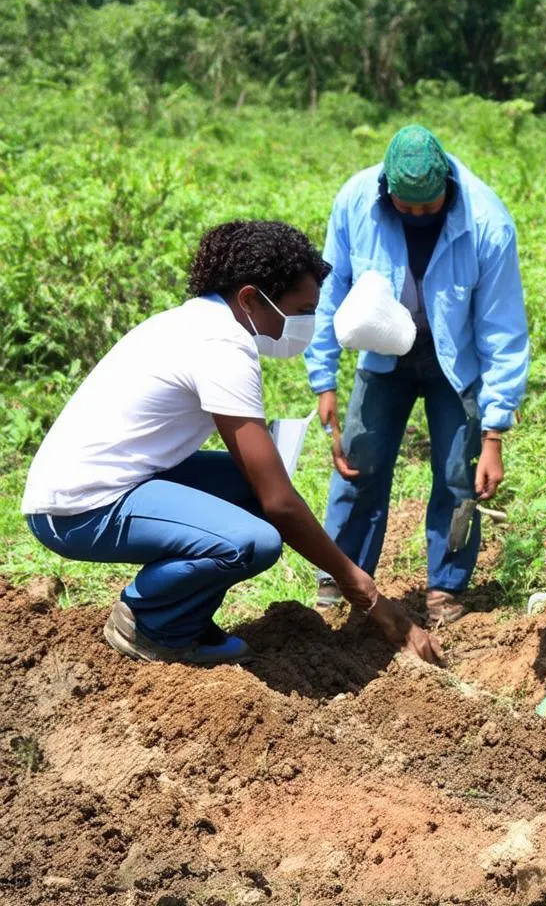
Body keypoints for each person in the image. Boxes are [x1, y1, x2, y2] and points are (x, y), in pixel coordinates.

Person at [21, 220, 443, 666]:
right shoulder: (222, 347)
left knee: (250, 487)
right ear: (249, 298)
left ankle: (185, 616)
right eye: (301, 309)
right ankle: (150, 624)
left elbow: (265, 484)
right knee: (254, 539)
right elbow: (279, 503)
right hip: (77, 509)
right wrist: (363, 588)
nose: (307, 323)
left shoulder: (195, 320)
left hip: (109, 481)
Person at [306, 125, 529, 624]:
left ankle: (446, 586)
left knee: (457, 477)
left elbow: (502, 328)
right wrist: (324, 379)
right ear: (388, 192)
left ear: (447, 184)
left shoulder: (487, 222)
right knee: (357, 465)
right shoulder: (356, 202)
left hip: (456, 362)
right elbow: (329, 291)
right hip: (383, 357)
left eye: (430, 206)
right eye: (407, 208)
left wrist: (493, 432)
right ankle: (339, 577)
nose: (419, 216)